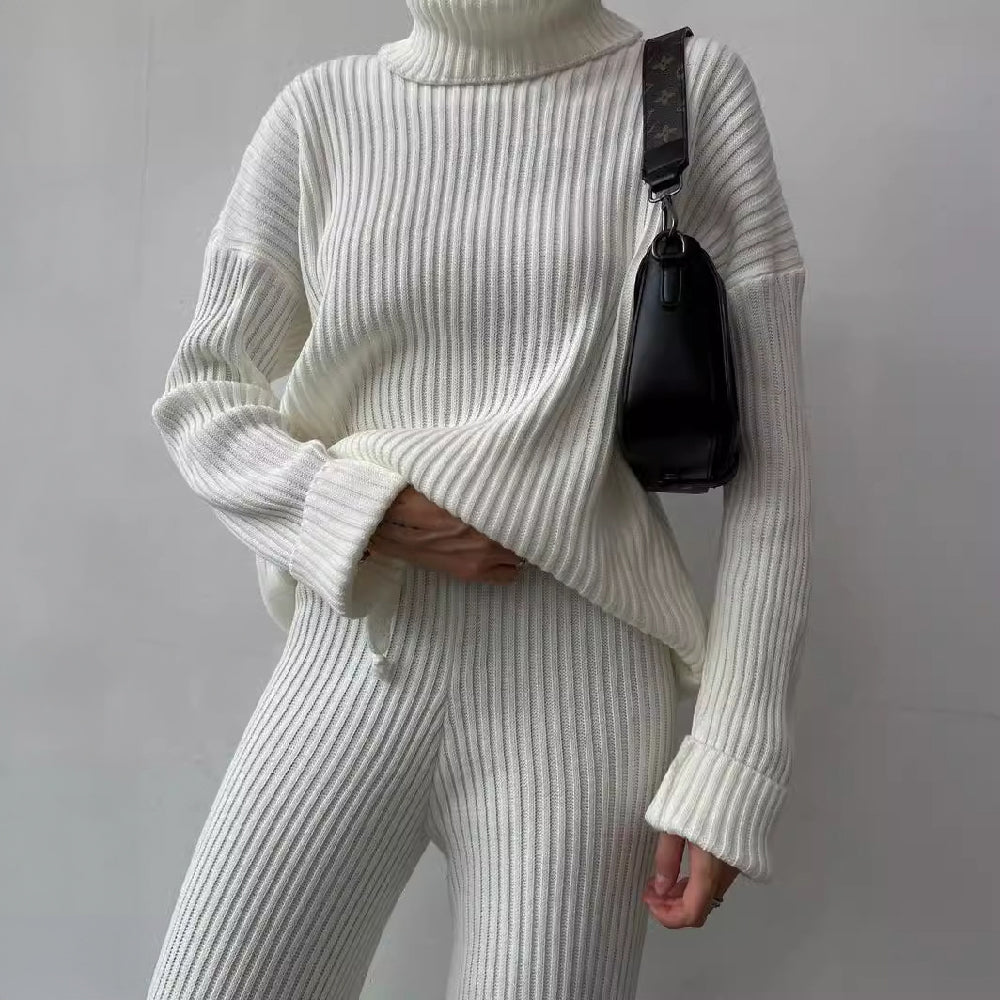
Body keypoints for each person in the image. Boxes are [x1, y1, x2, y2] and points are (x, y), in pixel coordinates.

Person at [145, 1, 811, 998]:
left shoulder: (685, 95)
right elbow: (204, 392)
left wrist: (733, 758)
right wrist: (356, 509)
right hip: (352, 659)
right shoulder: (324, 112)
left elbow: (774, 475)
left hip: (581, 696)